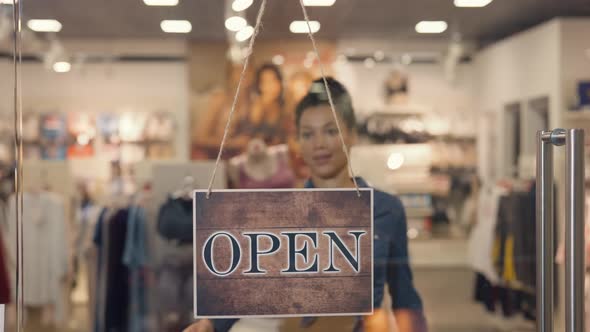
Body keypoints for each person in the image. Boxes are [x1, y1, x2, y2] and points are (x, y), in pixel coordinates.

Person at [184, 78, 428, 332]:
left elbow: (404, 295)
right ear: (298, 143)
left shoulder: (385, 209)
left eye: (331, 131)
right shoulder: (283, 213)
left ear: (352, 134)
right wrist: (210, 325)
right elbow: (254, 288)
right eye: (308, 134)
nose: (319, 143)